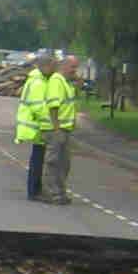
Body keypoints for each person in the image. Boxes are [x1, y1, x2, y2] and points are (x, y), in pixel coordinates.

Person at [39, 55, 79, 204]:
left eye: (76, 67)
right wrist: (56, 128)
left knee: (64, 163)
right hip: (56, 129)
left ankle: (60, 192)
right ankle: (50, 192)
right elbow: (53, 106)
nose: (75, 71)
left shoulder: (66, 82)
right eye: (73, 67)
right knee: (53, 162)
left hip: (65, 129)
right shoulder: (56, 81)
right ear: (64, 65)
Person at [15, 53, 54, 200]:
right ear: (45, 66)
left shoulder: (39, 80)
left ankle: (35, 190)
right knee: (38, 161)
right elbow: (38, 107)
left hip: (35, 125)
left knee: (37, 159)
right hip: (36, 126)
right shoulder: (38, 83)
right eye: (52, 66)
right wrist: (51, 122)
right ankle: (34, 191)